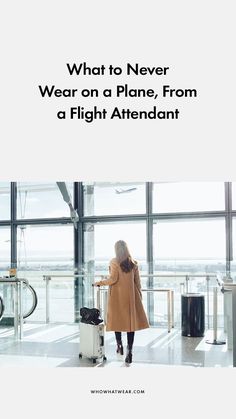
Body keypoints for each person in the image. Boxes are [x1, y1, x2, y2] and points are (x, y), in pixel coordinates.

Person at [93, 240, 149, 364]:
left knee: (116, 321)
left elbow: (113, 279)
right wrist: (138, 297)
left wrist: (99, 282)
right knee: (130, 325)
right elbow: (137, 283)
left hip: (117, 297)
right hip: (131, 297)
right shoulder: (133, 263)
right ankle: (130, 351)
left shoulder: (114, 261)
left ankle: (119, 345)